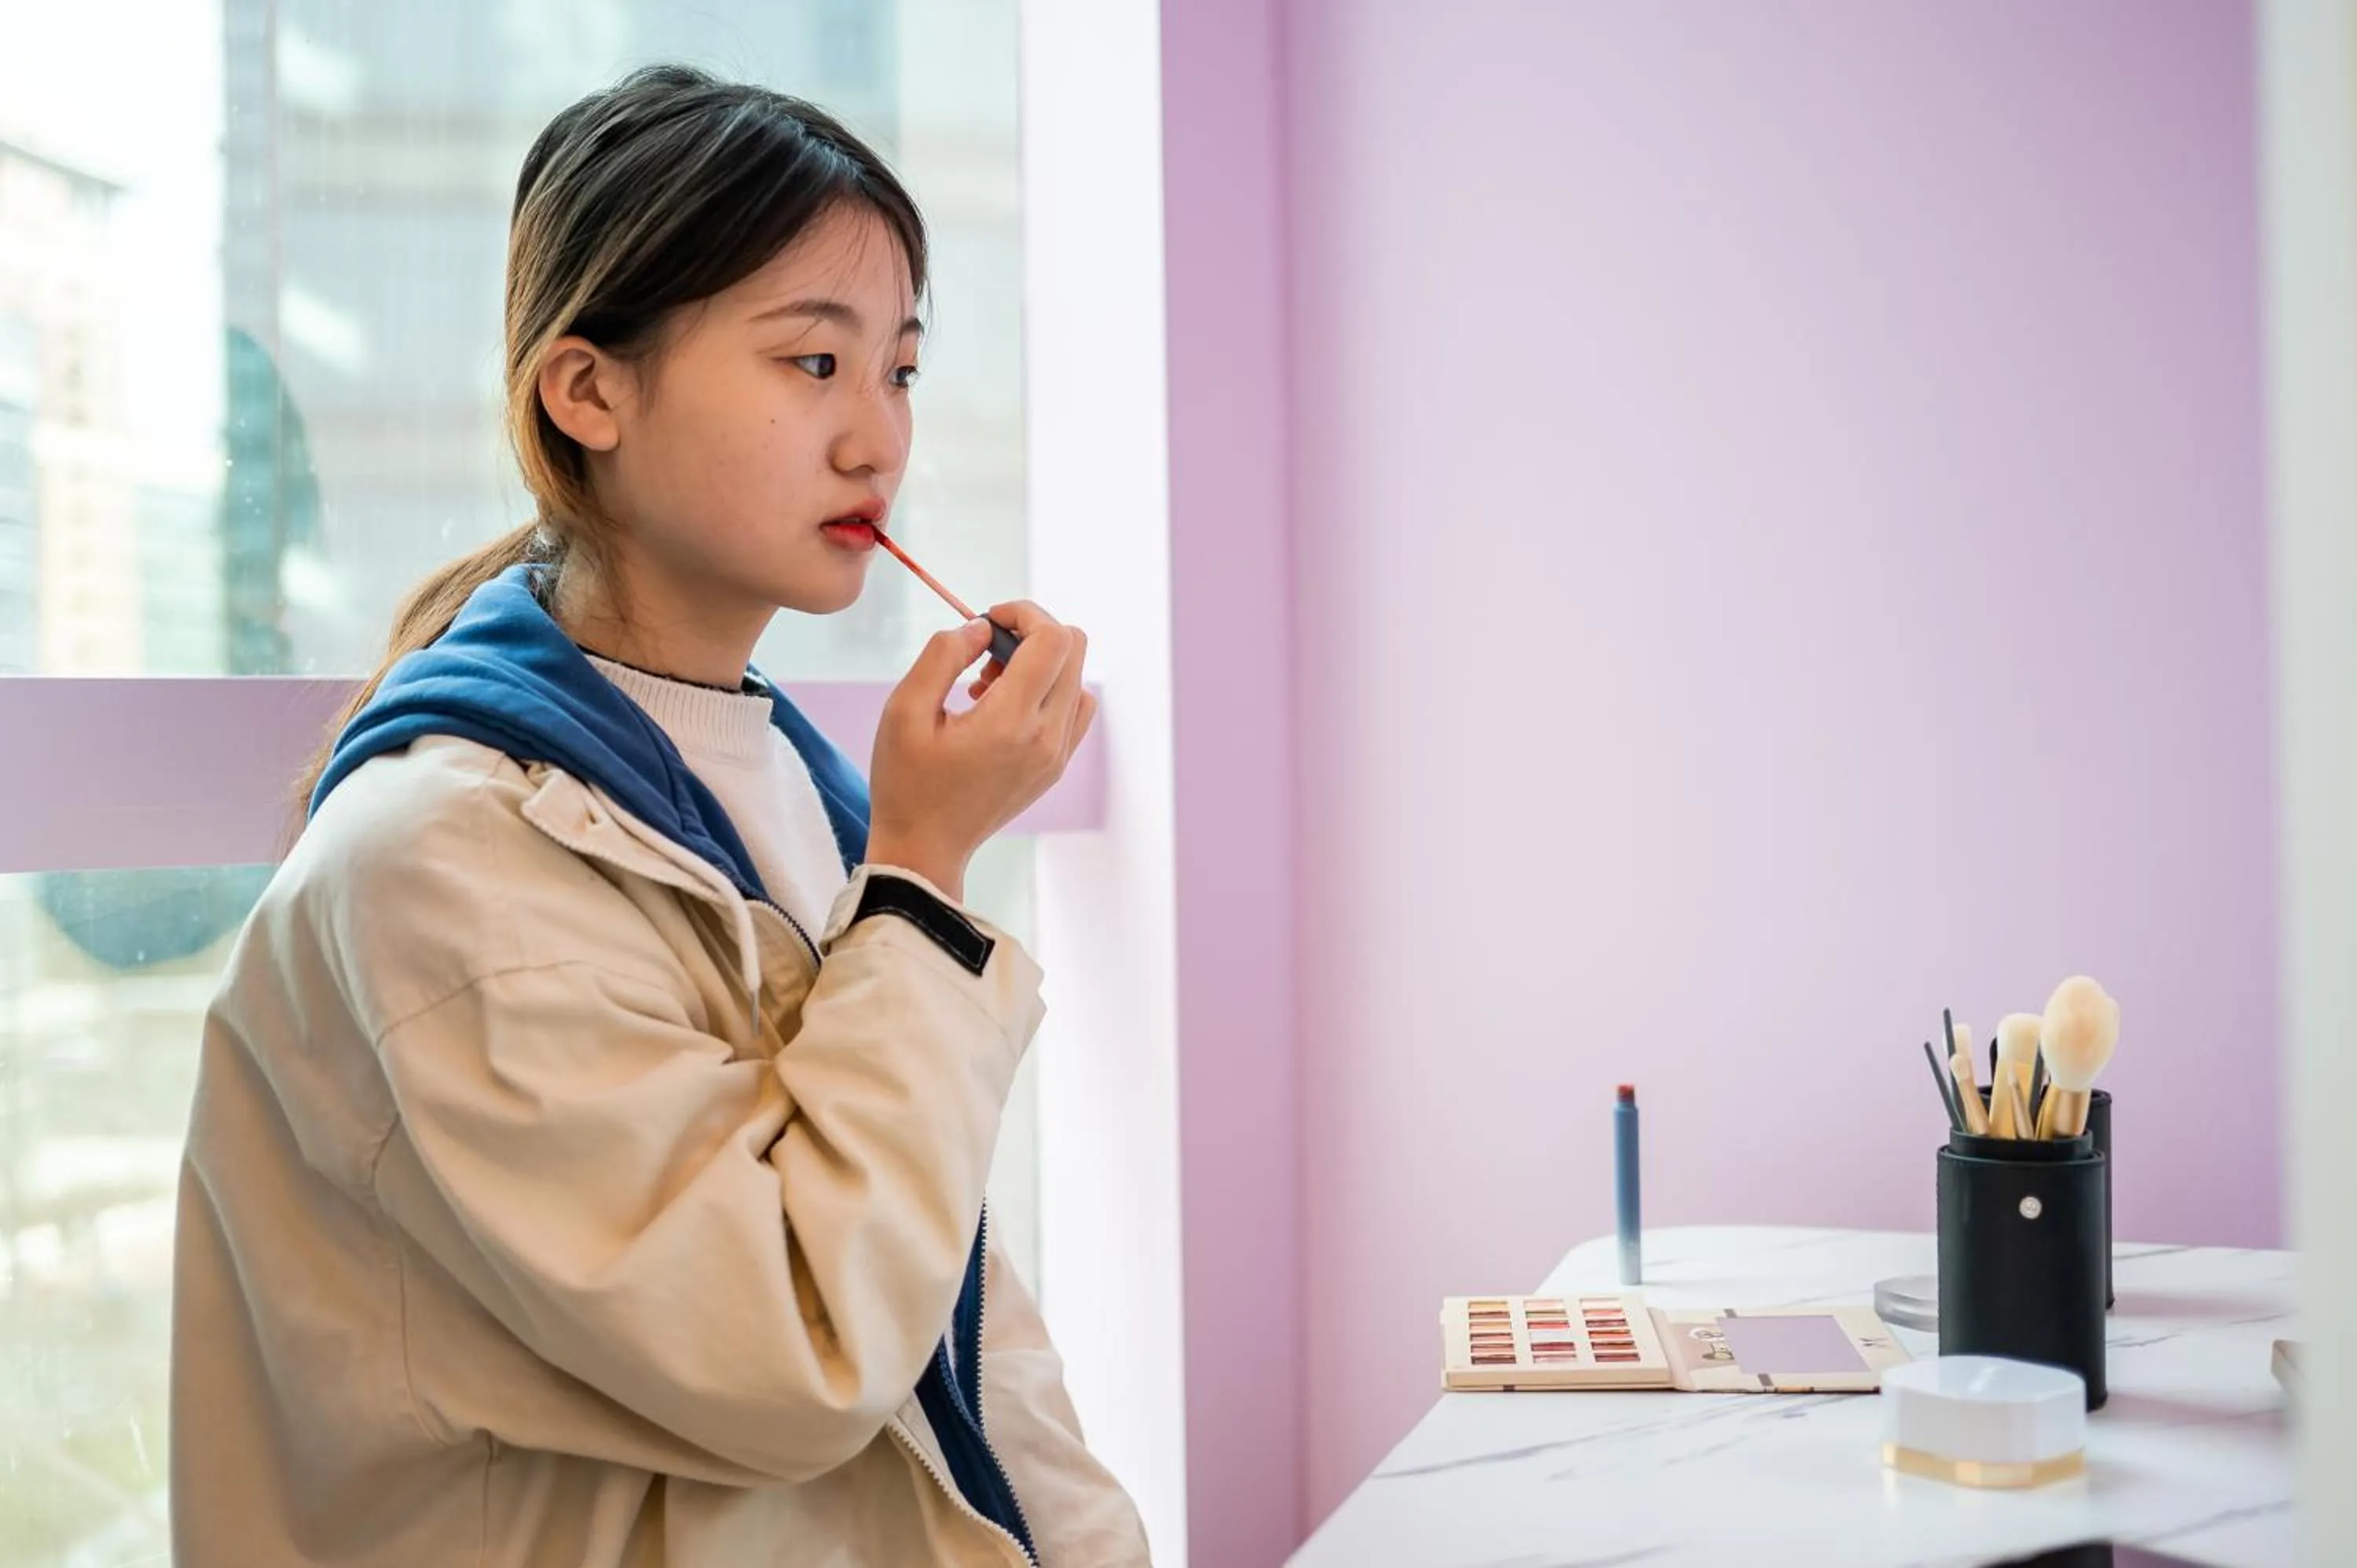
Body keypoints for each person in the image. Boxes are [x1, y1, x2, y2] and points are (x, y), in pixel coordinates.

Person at [170, 64, 1149, 1568]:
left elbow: (957, 1333)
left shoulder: (799, 793)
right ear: (589, 391)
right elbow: (799, 1352)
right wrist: (925, 874)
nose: (876, 439)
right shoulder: (440, 866)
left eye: (898, 371)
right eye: (812, 362)